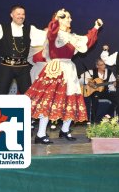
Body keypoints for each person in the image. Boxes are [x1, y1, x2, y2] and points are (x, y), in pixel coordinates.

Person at [26, 9, 102, 144]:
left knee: (72, 99)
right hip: (56, 69)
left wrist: (96, 27)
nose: (70, 20)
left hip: (69, 69)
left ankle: (65, 130)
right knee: (49, 101)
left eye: (70, 17)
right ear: (59, 19)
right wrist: (56, 20)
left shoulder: (72, 37)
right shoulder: (55, 35)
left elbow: (87, 41)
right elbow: (52, 32)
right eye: (67, 18)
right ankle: (40, 134)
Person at [0, 5, 46, 94]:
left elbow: (45, 36)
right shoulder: (2, 28)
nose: (21, 16)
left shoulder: (30, 29)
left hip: (23, 67)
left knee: (27, 95)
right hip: (6, 67)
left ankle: (27, 108)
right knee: (1, 93)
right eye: (18, 14)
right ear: (11, 15)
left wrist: (56, 29)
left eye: (23, 14)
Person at [82, 58, 117, 124]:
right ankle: (93, 119)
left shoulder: (109, 72)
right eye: (101, 65)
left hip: (106, 92)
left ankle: (108, 115)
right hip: (95, 92)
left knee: (117, 98)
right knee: (95, 97)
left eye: (104, 64)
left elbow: (112, 85)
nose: (104, 66)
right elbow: (81, 78)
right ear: (97, 66)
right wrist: (89, 83)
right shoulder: (91, 72)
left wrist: (115, 85)